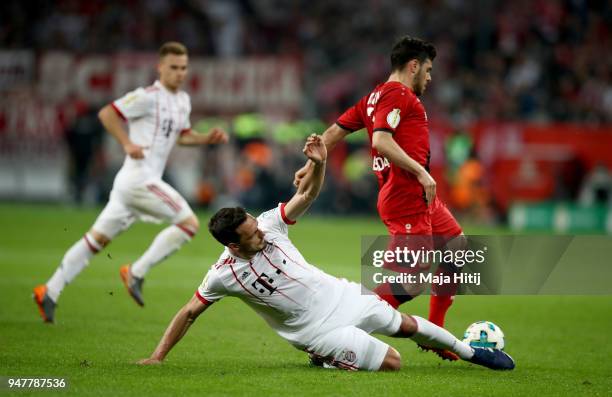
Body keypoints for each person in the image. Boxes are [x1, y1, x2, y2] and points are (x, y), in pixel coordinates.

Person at [137, 134, 514, 372]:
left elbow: (307, 196)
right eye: (251, 235)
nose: (261, 234)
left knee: (410, 327)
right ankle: (328, 358)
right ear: (233, 245)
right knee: (393, 363)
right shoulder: (223, 275)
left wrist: (318, 164)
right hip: (318, 331)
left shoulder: (269, 223)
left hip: (344, 294)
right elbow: (188, 312)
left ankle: (472, 354)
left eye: (256, 225)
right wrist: (157, 356)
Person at [294, 36, 466, 360]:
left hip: (416, 195)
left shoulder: (374, 97)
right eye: (427, 70)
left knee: (456, 248)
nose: (429, 78)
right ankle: (340, 338)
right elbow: (382, 141)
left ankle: (435, 332)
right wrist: (422, 172)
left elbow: (332, 133)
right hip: (406, 194)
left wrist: (309, 164)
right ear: (413, 65)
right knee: (410, 282)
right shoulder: (397, 94)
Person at [33, 42, 229, 323]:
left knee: (95, 240)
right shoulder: (147, 96)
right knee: (189, 224)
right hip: (139, 179)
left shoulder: (182, 100)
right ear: (160, 68)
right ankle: (136, 272)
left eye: (183, 68)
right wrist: (126, 143)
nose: (179, 73)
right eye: (173, 67)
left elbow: (182, 135)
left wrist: (205, 138)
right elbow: (107, 113)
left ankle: (48, 291)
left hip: (132, 184)